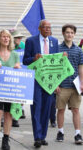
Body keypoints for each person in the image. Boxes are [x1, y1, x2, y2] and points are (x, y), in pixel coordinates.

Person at [23, 19, 59, 148]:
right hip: (36, 80)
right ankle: (37, 137)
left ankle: (43, 136)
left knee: (47, 109)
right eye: (45, 27)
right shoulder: (31, 41)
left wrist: (57, 84)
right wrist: (34, 58)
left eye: (49, 27)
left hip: (49, 81)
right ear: (39, 28)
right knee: (36, 108)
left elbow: (57, 64)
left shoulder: (54, 42)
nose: (48, 29)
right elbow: (25, 60)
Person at [56, 24, 83, 144]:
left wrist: (82, 83)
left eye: (72, 32)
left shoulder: (78, 50)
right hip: (62, 85)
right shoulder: (57, 49)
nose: (69, 34)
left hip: (75, 85)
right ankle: (60, 132)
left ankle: (78, 134)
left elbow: (81, 68)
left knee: (76, 110)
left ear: (74, 34)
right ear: (63, 33)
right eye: (67, 32)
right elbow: (55, 68)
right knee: (61, 110)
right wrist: (55, 84)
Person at [9, 29, 27, 126]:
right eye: (17, 37)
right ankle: (10, 117)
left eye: (20, 37)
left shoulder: (23, 46)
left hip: (21, 73)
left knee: (19, 96)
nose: (19, 39)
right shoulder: (9, 47)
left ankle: (16, 117)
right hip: (10, 74)